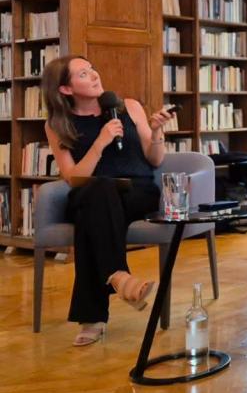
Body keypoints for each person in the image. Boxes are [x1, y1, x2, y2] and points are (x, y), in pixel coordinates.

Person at [42, 56, 175, 347]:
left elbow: (155, 160)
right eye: (83, 73)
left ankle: (95, 314)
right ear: (65, 89)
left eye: (92, 69)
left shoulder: (128, 107)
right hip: (92, 193)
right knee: (97, 192)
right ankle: (118, 276)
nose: (94, 75)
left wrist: (155, 131)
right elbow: (73, 178)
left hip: (137, 192)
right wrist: (101, 143)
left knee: (90, 214)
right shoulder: (57, 124)